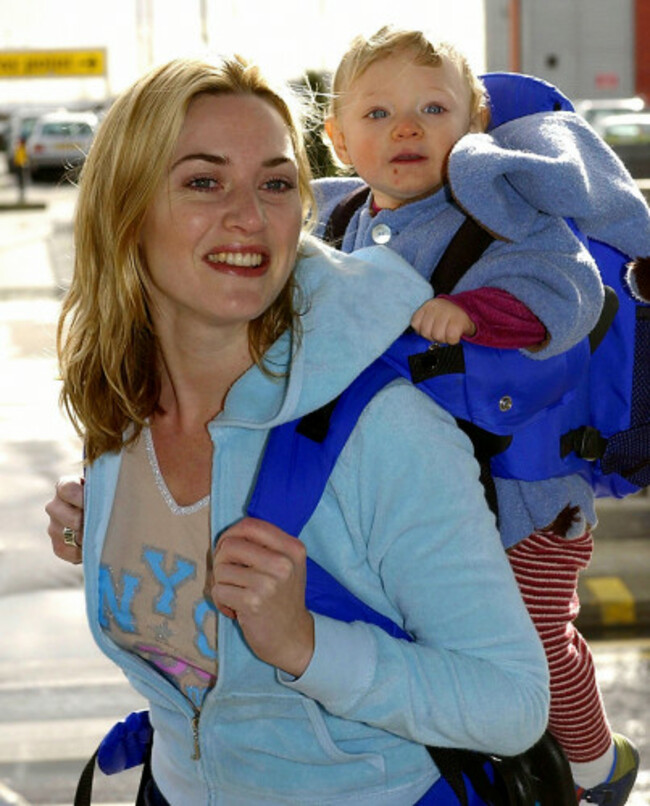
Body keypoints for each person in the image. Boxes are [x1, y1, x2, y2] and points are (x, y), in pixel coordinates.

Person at [46, 55, 550, 805]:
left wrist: (307, 645)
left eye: (277, 184)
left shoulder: (384, 431)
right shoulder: (119, 409)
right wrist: (116, 536)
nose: (250, 217)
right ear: (126, 210)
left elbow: (512, 703)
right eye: (204, 182)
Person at [312, 27, 643, 805]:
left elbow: (566, 290)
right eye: (379, 112)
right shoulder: (331, 226)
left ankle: (597, 765)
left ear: (474, 121)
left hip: (527, 499)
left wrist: (480, 312)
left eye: (433, 108)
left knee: (529, 640)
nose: (407, 128)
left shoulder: (499, 211)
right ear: (336, 138)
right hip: (414, 502)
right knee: (436, 650)